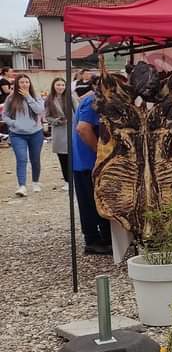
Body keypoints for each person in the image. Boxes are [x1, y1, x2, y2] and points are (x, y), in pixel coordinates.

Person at [71, 78, 112, 254]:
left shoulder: (96, 100)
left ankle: (105, 237)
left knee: (98, 200)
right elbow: (83, 128)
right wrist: (99, 153)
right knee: (90, 202)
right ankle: (92, 240)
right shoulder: (92, 100)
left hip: (89, 162)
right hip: (86, 163)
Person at [2, 74, 44, 196]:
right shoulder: (11, 98)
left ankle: (35, 182)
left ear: (30, 84)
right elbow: (5, 115)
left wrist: (28, 97)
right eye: (21, 82)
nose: (24, 84)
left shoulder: (36, 96)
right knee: (21, 159)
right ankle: (22, 186)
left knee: (35, 159)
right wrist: (13, 123)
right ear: (17, 84)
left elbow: (39, 111)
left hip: (36, 133)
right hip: (17, 134)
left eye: (27, 82)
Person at [44, 77, 73, 190]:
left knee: (72, 156)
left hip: (71, 129)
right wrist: (56, 121)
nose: (60, 87)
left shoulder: (70, 97)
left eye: (62, 85)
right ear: (53, 86)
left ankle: (74, 179)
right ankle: (67, 181)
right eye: (58, 85)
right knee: (62, 157)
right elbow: (47, 116)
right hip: (59, 131)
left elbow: (77, 110)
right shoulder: (49, 99)